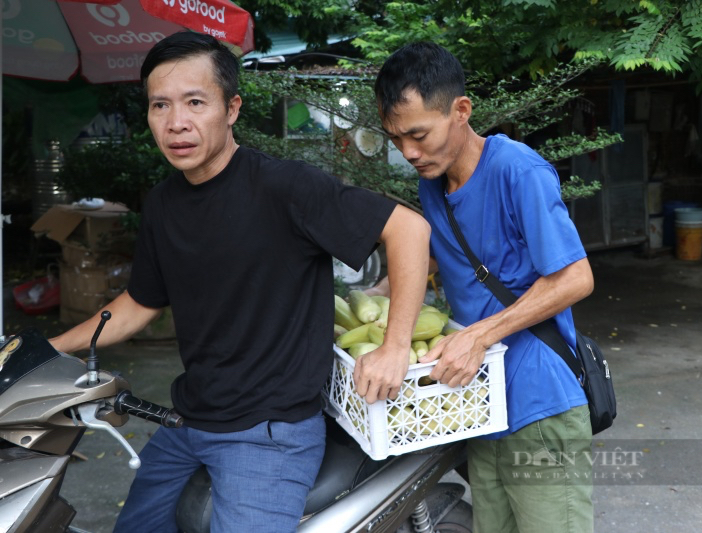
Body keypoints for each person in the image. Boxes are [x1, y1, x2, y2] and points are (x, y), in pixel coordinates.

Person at [49, 32, 431, 532]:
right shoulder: (164, 203)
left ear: (231, 109)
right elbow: (140, 303)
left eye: (195, 102)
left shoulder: (284, 186)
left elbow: (408, 228)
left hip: (267, 434)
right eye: (160, 105)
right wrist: (43, 349)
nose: (176, 123)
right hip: (189, 420)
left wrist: (395, 345)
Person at [371, 42, 595, 533]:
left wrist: (478, 335)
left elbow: (576, 277)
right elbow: (438, 251)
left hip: (540, 404)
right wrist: (376, 298)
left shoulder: (518, 169)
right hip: (478, 404)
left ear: (461, 111)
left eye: (418, 134)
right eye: (396, 139)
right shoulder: (433, 183)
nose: (408, 152)